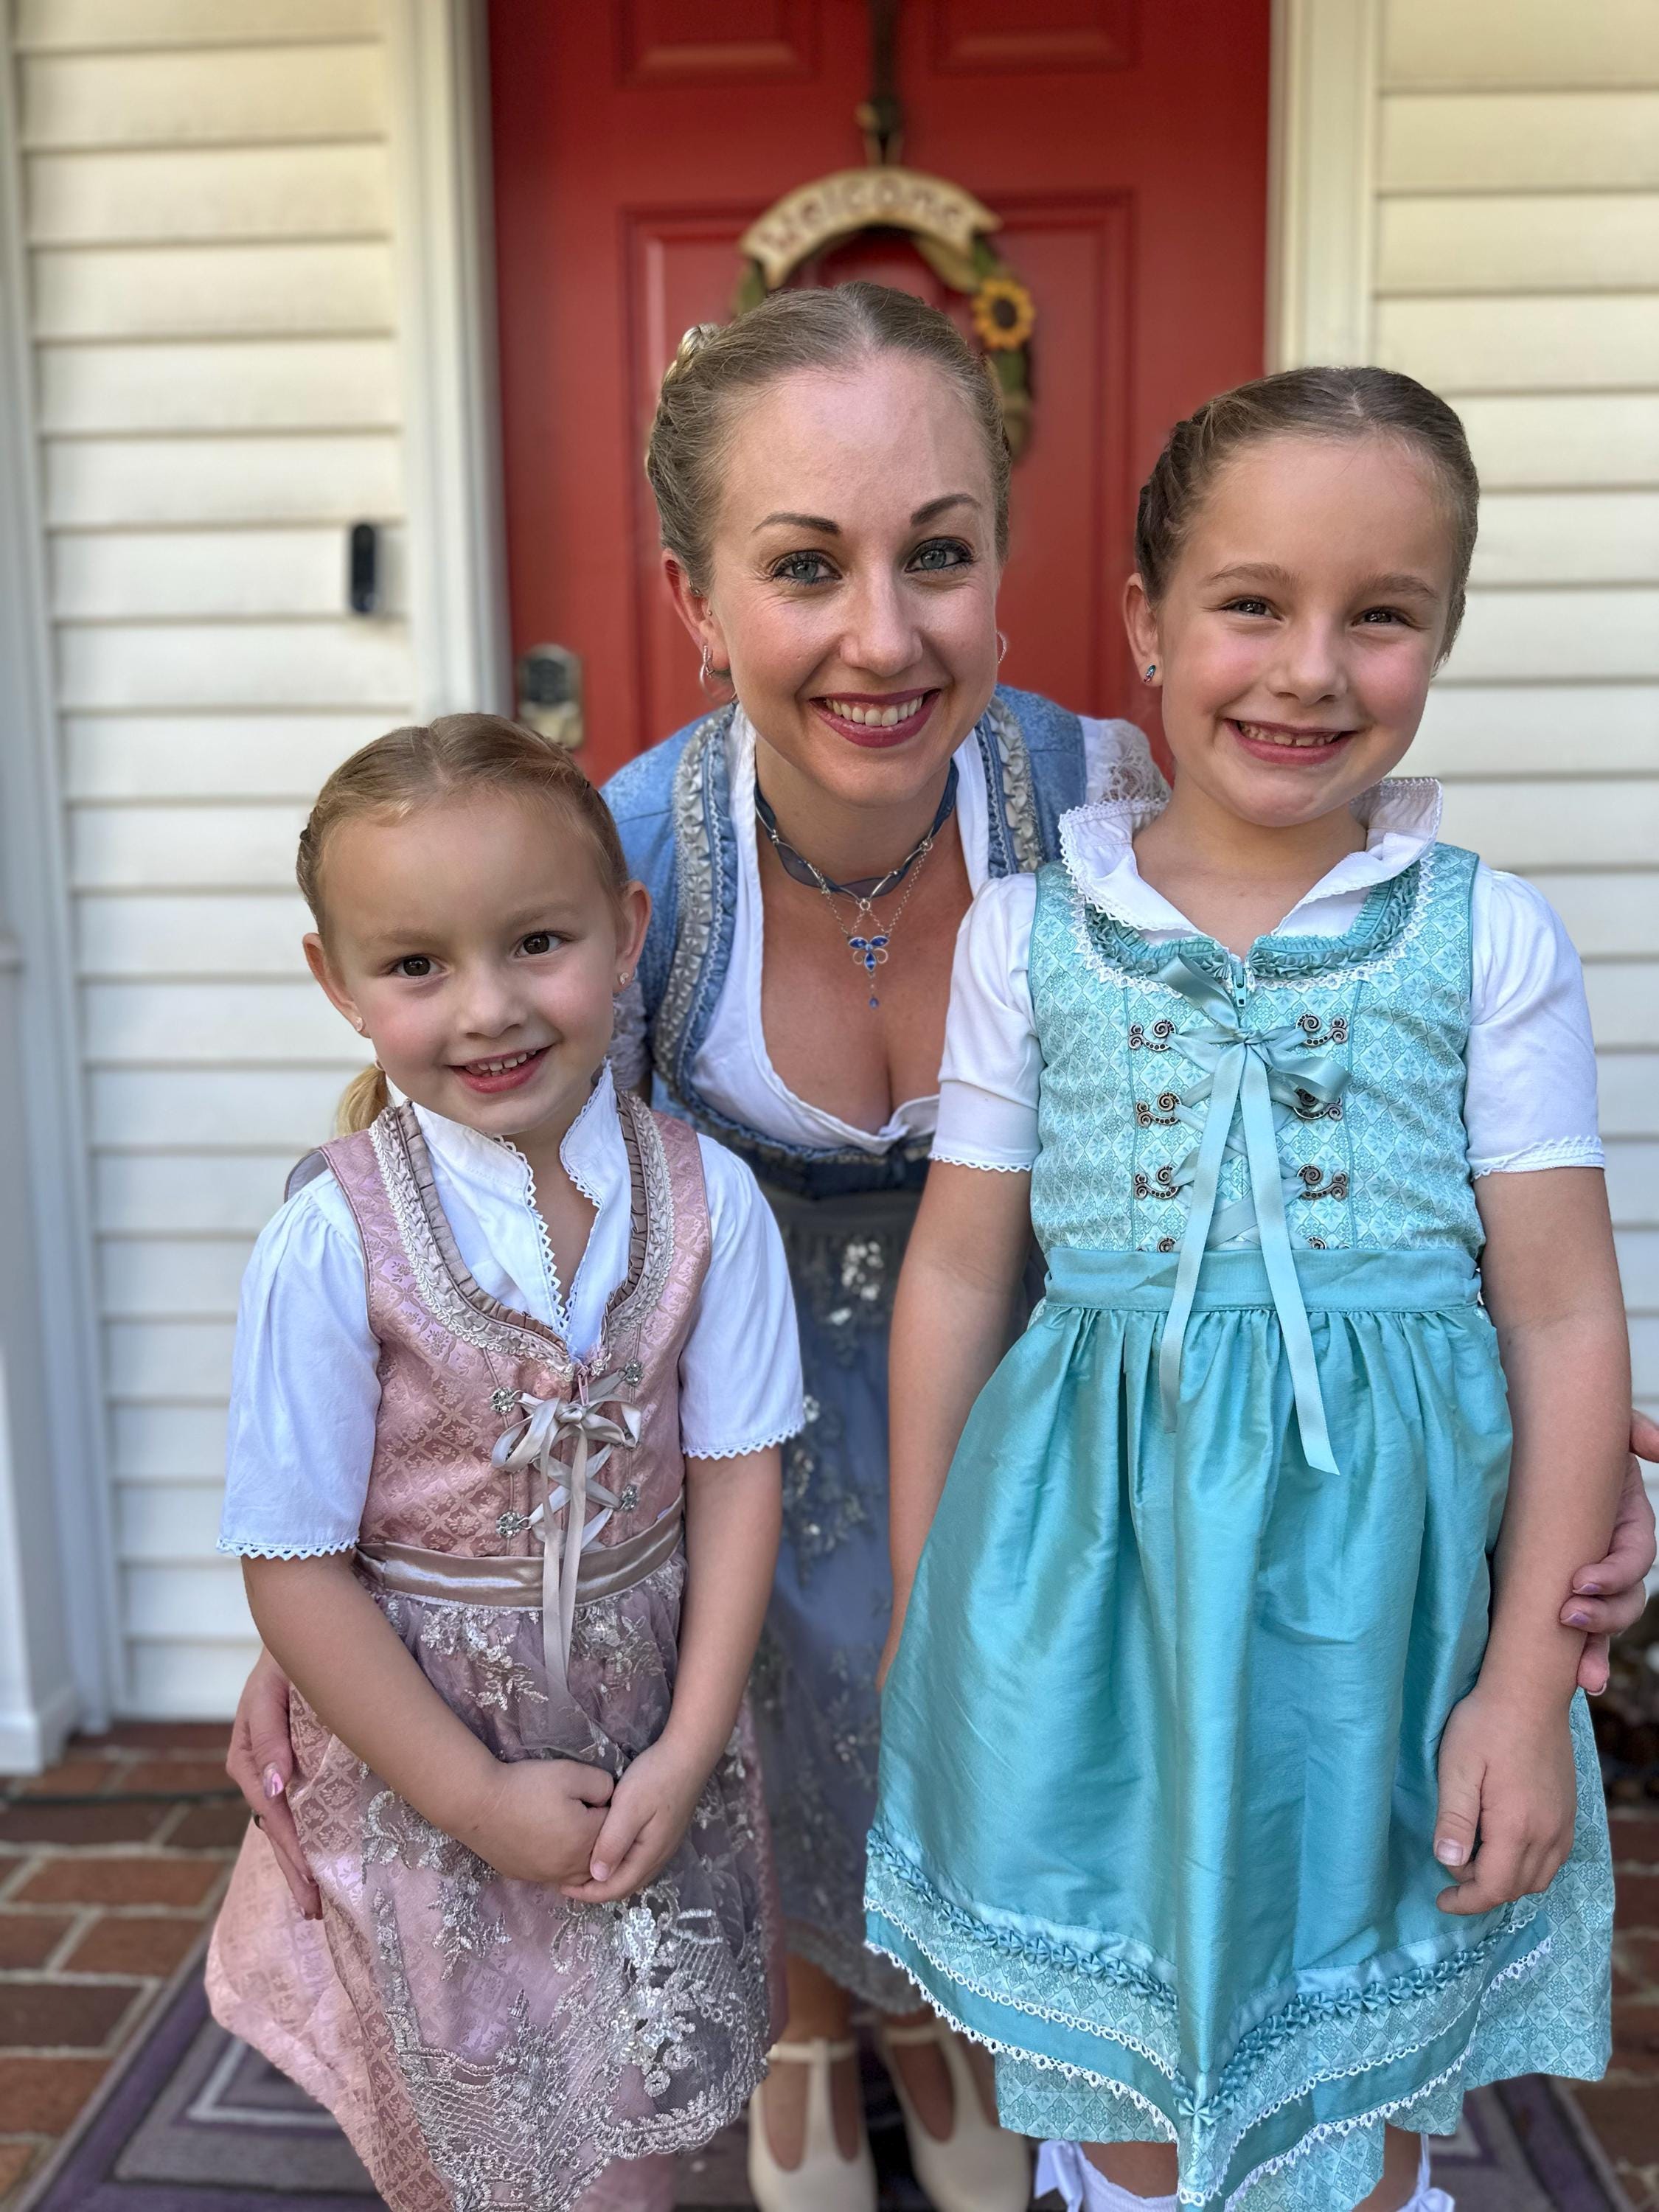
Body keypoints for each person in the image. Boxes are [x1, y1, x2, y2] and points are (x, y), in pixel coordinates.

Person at [225, 285, 1658, 2212]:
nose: (884, 637)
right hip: (718, 1429)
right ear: (694, 597)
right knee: (768, 1610)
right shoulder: (620, 872)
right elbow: (454, 1216)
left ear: (1012, 569)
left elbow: (1380, 1161)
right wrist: (354, 1594)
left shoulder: (1123, 807)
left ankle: (956, 2007)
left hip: (1092, 1433)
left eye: (939, 556)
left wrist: (1537, 1490)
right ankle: (812, 1999)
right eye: (806, 566)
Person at [866, 366, 1632, 2212]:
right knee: (1122, 2089)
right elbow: (959, 1272)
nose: (1310, 670)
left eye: (1381, 616)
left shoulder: (1487, 937)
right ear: (1146, 623)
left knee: (1349, 2085)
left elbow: (1561, 1312)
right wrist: (924, 1606)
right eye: (1253, 604)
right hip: (1089, 1581)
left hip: (1387, 1605)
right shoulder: (1033, 934)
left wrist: (1529, 1685)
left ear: (1442, 633)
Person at [206, 717, 801, 2212]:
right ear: (338, 983)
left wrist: (690, 1745)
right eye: (417, 965)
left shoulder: (709, 1201)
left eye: (538, 941)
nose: (488, 1009)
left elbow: (737, 1476)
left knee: (633, 2121)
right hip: (429, 1761)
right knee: (487, 2131)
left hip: (649, 1727)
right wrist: (471, 1797)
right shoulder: (332, 1240)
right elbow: (294, 1565)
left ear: (625, 931)